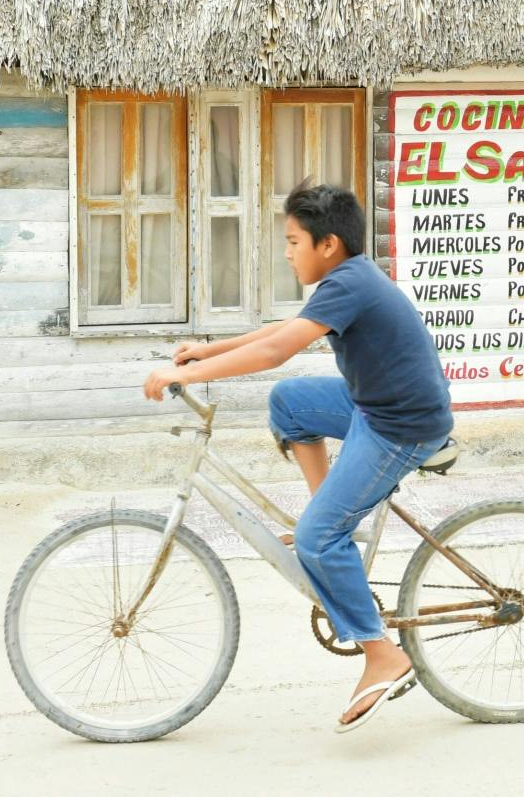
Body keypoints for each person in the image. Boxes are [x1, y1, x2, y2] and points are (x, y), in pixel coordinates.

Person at [142, 182, 454, 732]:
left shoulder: (350, 282)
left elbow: (274, 350)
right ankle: (332, 519)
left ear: (327, 243)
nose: (286, 253)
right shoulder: (345, 279)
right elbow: (282, 332)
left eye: (292, 241)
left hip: (400, 426)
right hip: (373, 407)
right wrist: (208, 350)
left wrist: (182, 373)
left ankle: (383, 654)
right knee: (290, 403)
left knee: (315, 538)